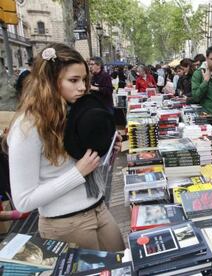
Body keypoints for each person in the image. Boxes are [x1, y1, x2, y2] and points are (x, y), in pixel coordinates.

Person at [4, 43, 125, 251]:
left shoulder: (75, 112)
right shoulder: (28, 126)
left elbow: (78, 162)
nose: (82, 87)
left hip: (99, 210)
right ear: (50, 81)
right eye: (73, 80)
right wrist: (78, 172)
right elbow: (23, 201)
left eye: (84, 80)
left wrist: (106, 151)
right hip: (65, 223)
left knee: (124, 264)